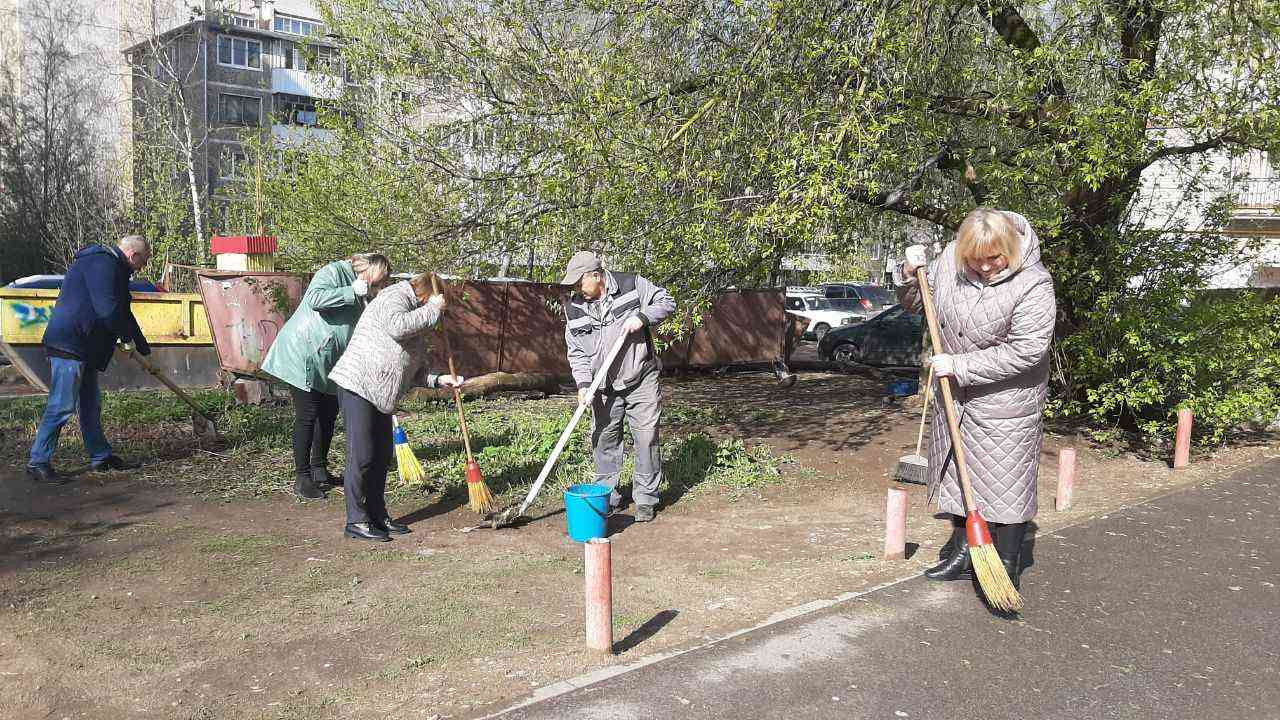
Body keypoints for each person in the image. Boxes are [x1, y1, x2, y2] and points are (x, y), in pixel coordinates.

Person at [897, 208, 1056, 591]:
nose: (984, 267)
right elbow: (918, 304)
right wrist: (910, 275)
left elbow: (1026, 350)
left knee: (1008, 481)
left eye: (994, 258)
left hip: (1008, 402)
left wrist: (959, 365)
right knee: (955, 473)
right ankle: (963, 552)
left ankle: (1007, 563)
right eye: (974, 259)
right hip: (955, 395)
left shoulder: (1034, 283)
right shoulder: (950, 262)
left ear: (1011, 248)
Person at [327, 273, 463, 542]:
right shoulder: (395, 296)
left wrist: (438, 379)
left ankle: (378, 515)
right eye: (436, 303)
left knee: (381, 456)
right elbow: (396, 327)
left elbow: (411, 366)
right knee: (362, 455)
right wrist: (432, 309)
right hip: (358, 384)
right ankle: (357, 520)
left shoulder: (417, 313)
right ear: (426, 294)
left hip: (382, 392)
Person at [261, 253, 392, 500]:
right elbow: (315, 299)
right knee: (308, 415)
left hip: (331, 360)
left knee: (329, 413)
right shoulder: (334, 272)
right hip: (304, 353)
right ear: (368, 269)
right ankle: (302, 478)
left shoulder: (367, 291)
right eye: (377, 280)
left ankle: (320, 469)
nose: (377, 285)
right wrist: (350, 292)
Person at [560, 251, 676, 523]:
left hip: (640, 378)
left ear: (596, 275)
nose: (576, 288)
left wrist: (643, 317)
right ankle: (606, 496)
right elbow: (576, 352)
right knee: (604, 440)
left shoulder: (631, 285)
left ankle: (645, 499)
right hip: (602, 386)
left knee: (645, 438)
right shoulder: (574, 308)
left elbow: (667, 301)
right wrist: (583, 385)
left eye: (579, 282)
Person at [26, 235, 153, 484]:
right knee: (62, 404)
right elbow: (107, 309)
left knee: (90, 405)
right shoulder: (101, 263)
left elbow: (122, 310)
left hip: (86, 346)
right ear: (133, 255)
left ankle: (101, 456)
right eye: (144, 260)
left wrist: (142, 346)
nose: (143, 266)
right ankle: (37, 462)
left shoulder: (115, 269)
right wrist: (125, 337)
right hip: (70, 343)